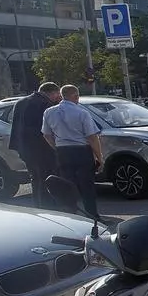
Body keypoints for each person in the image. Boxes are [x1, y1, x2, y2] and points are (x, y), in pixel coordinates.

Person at [41, 85, 102, 219]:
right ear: (76, 96)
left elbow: (46, 134)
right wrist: (99, 157)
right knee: (87, 186)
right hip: (82, 151)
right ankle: (92, 215)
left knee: (67, 185)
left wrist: (56, 147)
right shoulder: (82, 113)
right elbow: (92, 137)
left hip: (63, 151)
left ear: (62, 96)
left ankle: (72, 215)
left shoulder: (49, 112)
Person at [9, 81, 61, 207]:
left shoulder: (20, 102)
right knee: (46, 177)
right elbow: (45, 129)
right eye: (57, 94)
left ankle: (38, 204)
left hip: (23, 147)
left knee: (35, 177)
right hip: (41, 148)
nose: (57, 97)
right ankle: (46, 206)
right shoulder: (44, 104)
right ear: (52, 93)